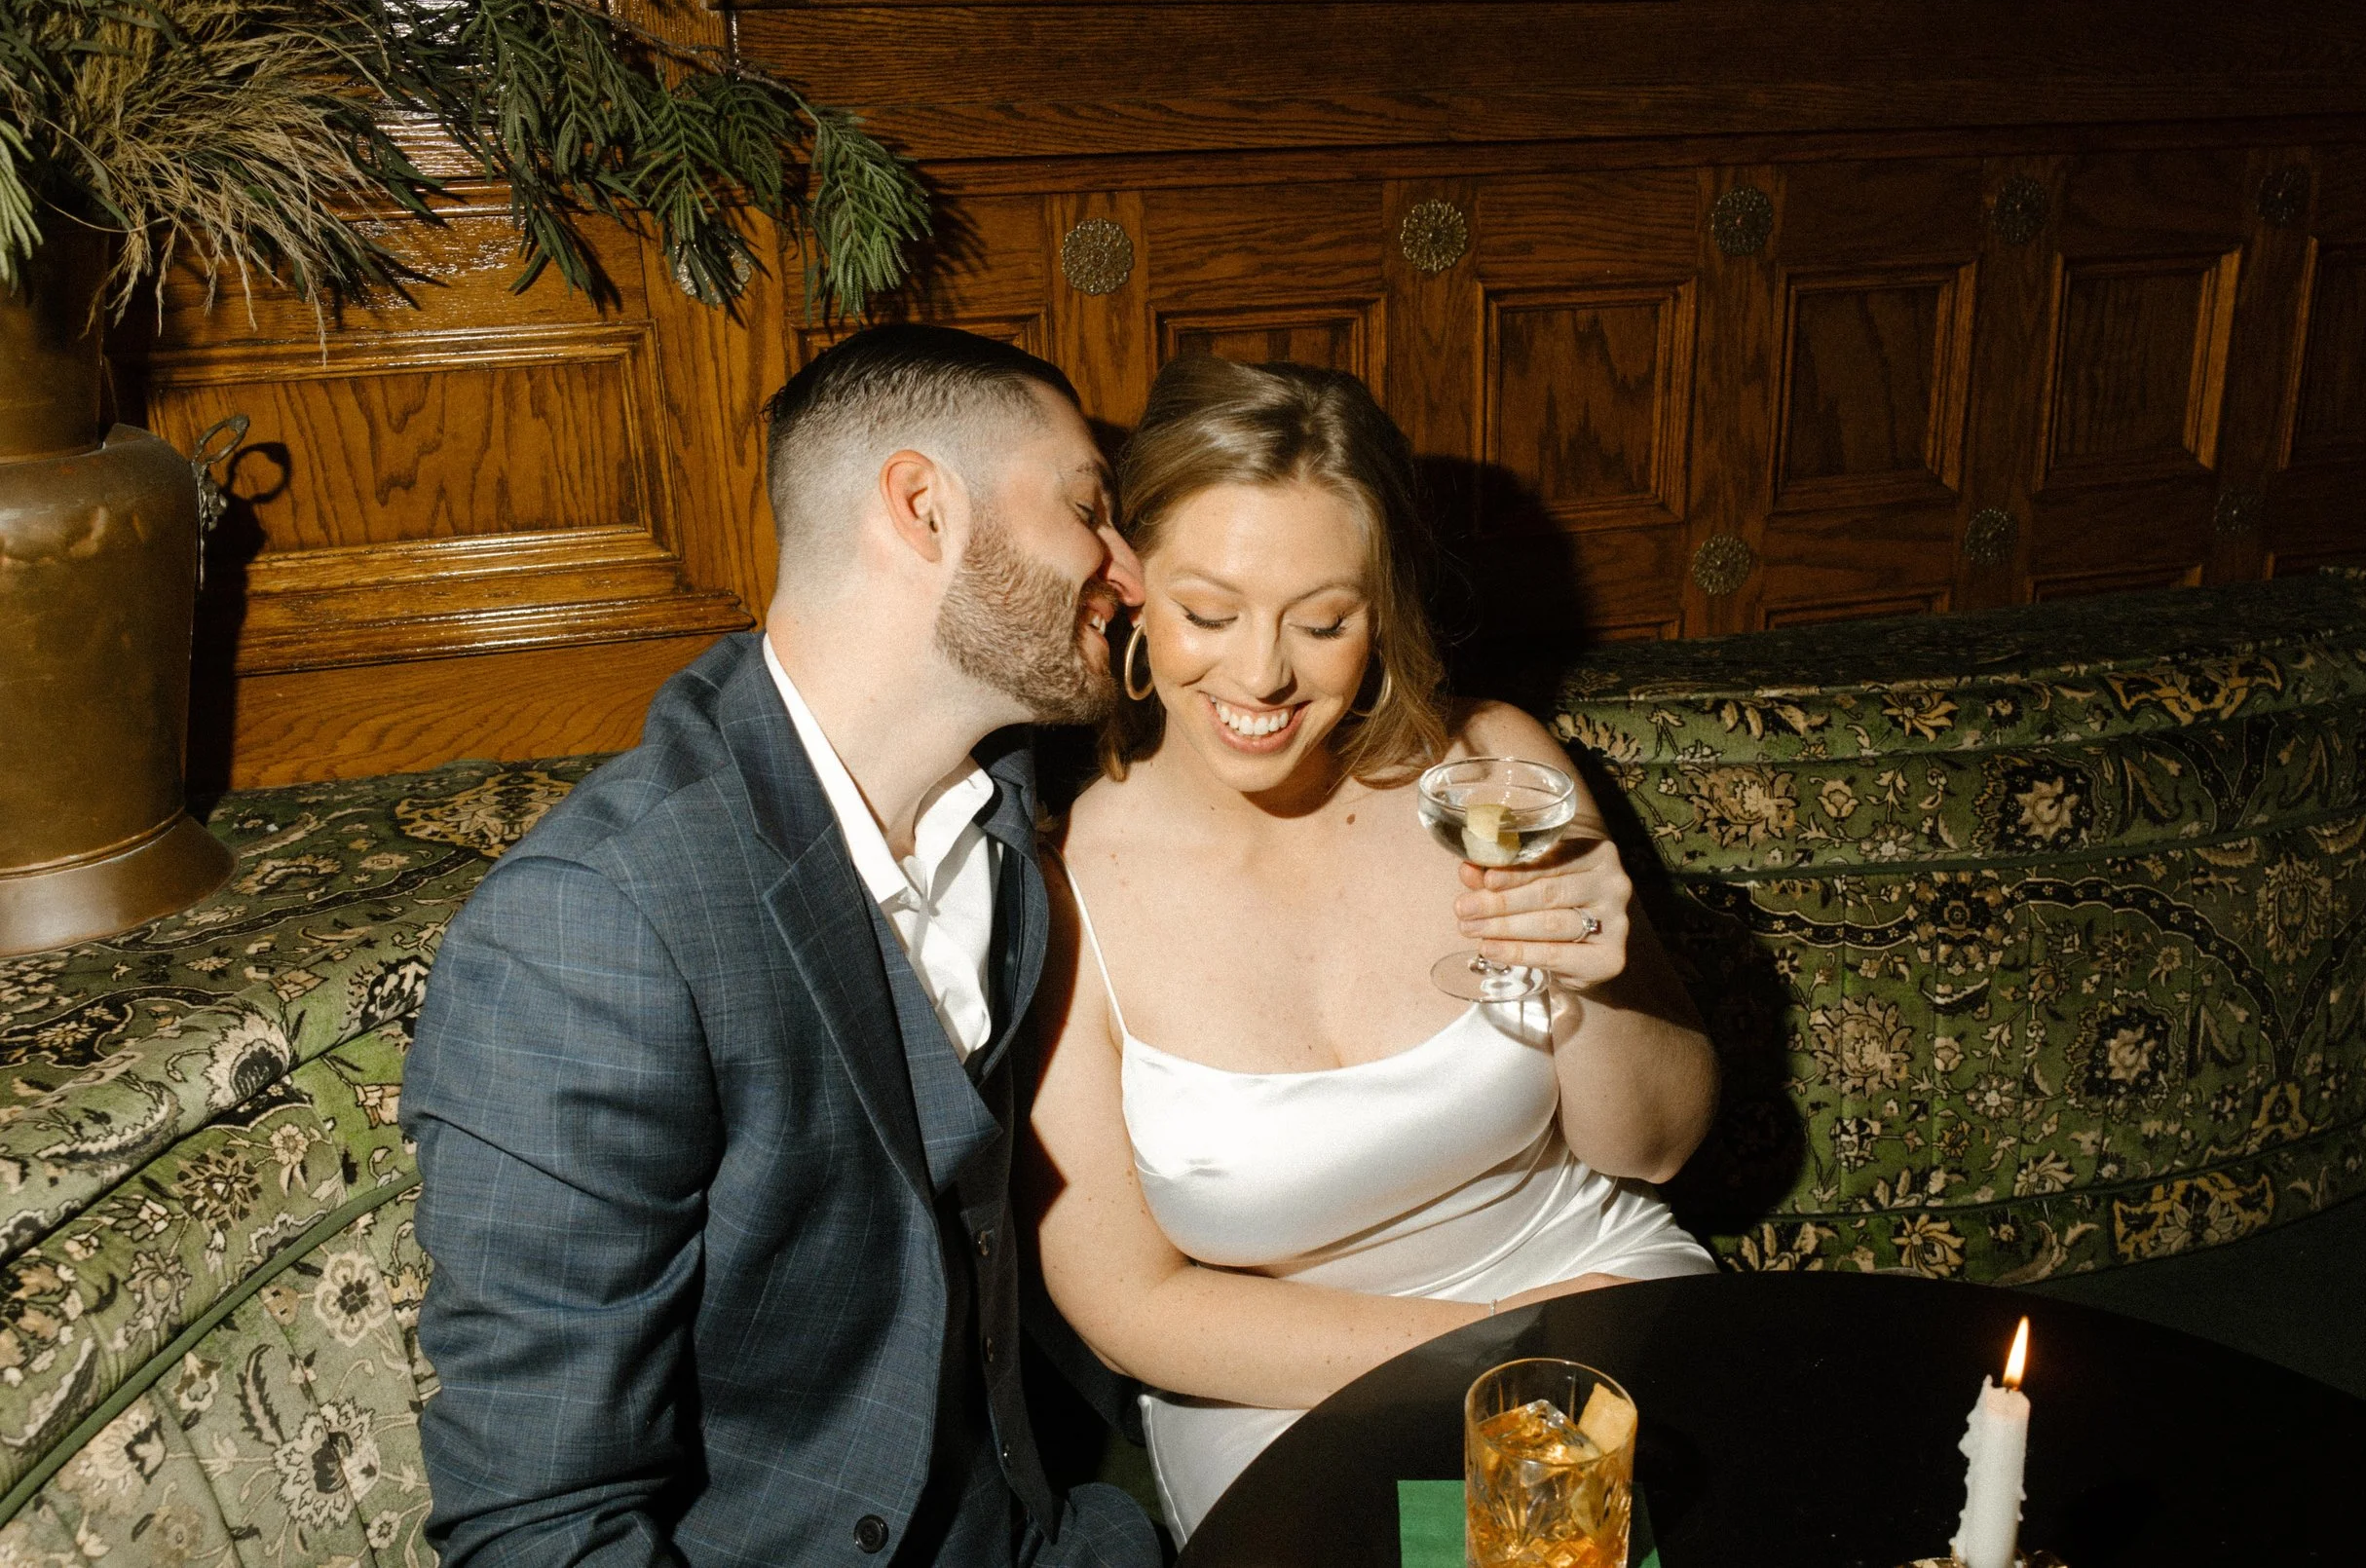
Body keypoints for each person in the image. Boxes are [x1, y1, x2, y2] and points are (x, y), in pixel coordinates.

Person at [402, 325, 1161, 1568]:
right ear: (923, 507)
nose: (1126, 570)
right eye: (1090, 510)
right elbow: (537, 1527)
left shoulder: (1018, 807)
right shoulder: (592, 924)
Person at [1027, 356, 1721, 1539]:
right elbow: (1125, 1304)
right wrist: (1509, 1346)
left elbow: (1652, 1147)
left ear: (1382, 603)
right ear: (1130, 586)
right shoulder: (1054, 876)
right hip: (1281, 1383)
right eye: (1208, 611)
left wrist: (1598, 982)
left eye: (1324, 620)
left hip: (1594, 1279)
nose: (1261, 674)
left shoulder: (1494, 771)